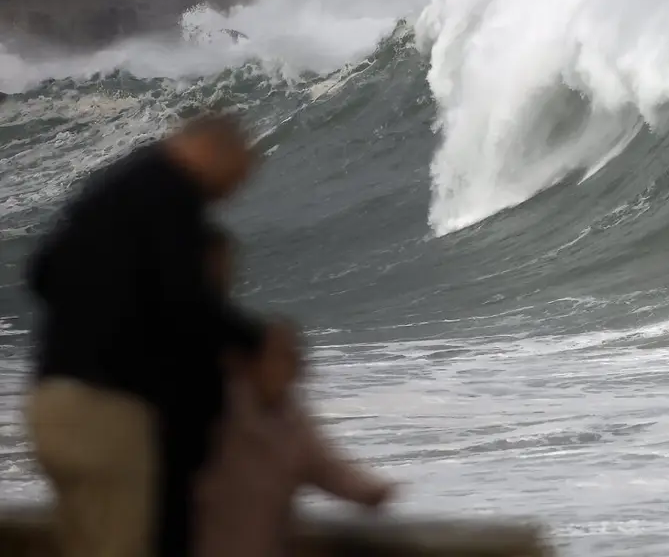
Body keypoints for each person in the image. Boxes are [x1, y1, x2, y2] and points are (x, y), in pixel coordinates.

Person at [24, 112, 259, 557]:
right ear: (212, 149)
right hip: (106, 415)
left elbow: (41, 272)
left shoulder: (115, 193)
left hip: (52, 403)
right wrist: (255, 342)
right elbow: (186, 301)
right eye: (235, 177)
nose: (230, 193)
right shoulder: (169, 193)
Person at [196, 318, 393, 557]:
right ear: (250, 362)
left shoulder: (293, 422)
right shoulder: (215, 411)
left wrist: (370, 492)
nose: (291, 367)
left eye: (294, 358)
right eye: (279, 357)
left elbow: (327, 467)